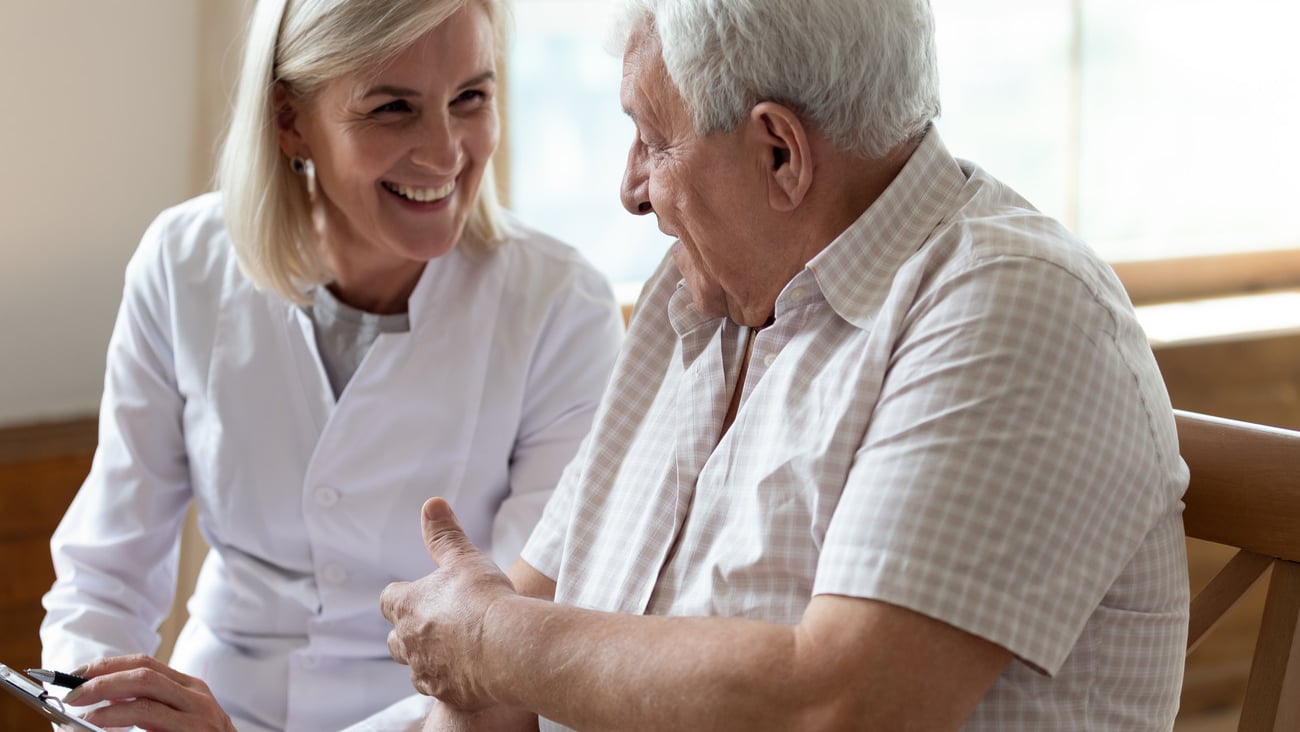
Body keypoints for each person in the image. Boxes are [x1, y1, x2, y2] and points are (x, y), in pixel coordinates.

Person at [380, 0, 1192, 729]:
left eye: (654, 141)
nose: (631, 190)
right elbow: (510, 662)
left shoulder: (1016, 309)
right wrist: (482, 649)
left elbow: (842, 705)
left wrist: (491, 639)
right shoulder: (706, 293)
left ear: (779, 153)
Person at [39, 0, 624, 729]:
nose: (444, 152)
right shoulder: (182, 264)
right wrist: (102, 711)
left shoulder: (563, 308)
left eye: (470, 97)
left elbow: (511, 654)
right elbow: (105, 578)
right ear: (289, 119)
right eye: (392, 108)